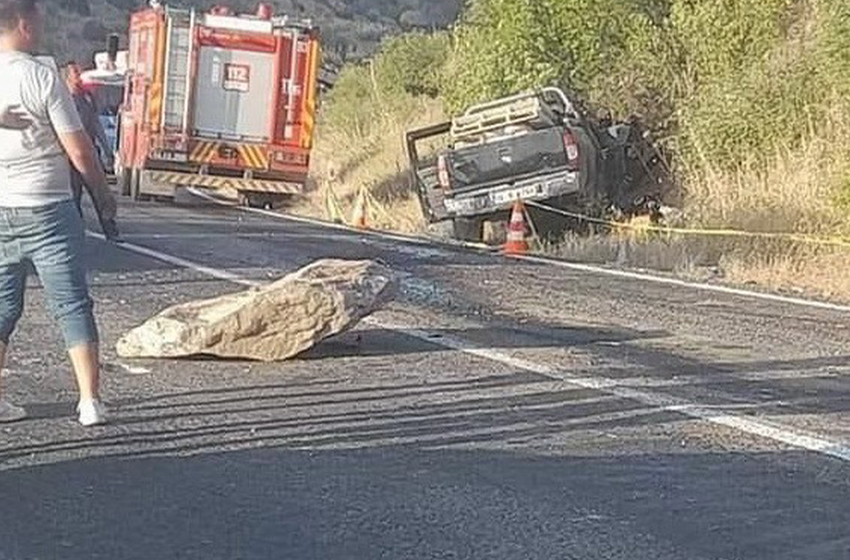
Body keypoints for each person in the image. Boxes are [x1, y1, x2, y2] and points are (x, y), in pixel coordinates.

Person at [0, 0, 117, 425]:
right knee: (70, 303)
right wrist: (103, 195)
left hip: (1, 206)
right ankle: (89, 401)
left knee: (1, 306)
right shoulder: (41, 77)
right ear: (25, 25)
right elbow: (80, 149)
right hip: (48, 207)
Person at [62, 61, 118, 240]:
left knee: (100, 192)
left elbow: (95, 123)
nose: (79, 77)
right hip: (70, 157)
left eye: (79, 72)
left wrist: (107, 149)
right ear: (67, 78)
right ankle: (76, 232)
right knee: (74, 195)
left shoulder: (87, 98)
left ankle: (110, 229)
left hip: (91, 154)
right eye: (75, 74)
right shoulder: (62, 100)